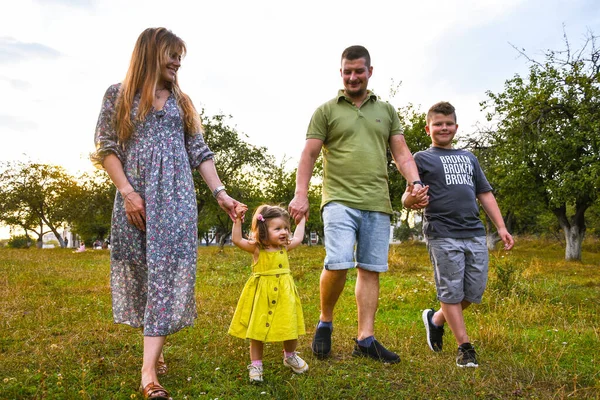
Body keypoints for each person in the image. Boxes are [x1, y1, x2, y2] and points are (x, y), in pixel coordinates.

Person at [91, 27, 241, 399]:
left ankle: (148, 375)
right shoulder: (119, 95)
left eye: (180, 56)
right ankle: (154, 354)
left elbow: (199, 152)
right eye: (171, 54)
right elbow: (106, 147)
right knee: (143, 272)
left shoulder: (182, 101)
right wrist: (127, 192)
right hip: (136, 197)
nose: (177, 62)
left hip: (176, 200)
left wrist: (220, 193)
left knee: (166, 272)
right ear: (150, 53)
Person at [288, 45, 427, 364]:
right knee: (337, 261)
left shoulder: (387, 110)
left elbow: (402, 152)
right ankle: (325, 321)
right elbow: (308, 154)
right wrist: (301, 193)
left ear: (369, 72)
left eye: (358, 71)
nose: (353, 77)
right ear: (341, 73)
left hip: (377, 201)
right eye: (347, 71)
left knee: (370, 268)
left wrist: (415, 182)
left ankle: (365, 338)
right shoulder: (326, 110)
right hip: (338, 199)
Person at [403, 101, 514, 368]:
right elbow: (409, 194)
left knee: (473, 291)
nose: (444, 128)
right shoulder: (421, 158)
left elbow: (484, 193)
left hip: (474, 232)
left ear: (456, 126)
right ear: (428, 128)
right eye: (438, 124)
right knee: (450, 291)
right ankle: (465, 347)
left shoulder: (469, 158)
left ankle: (436, 320)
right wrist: (409, 201)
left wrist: (501, 227)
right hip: (442, 233)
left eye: (448, 123)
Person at [229, 204, 308, 383]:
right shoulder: (257, 249)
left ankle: (290, 356)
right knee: (257, 331)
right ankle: (256, 364)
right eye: (278, 228)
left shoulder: (284, 248)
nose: (284, 232)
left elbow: (299, 237)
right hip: (262, 296)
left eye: (286, 228)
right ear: (264, 230)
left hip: (284, 295)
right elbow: (237, 240)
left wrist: (301, 220)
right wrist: (237, 220)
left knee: (289, 327)